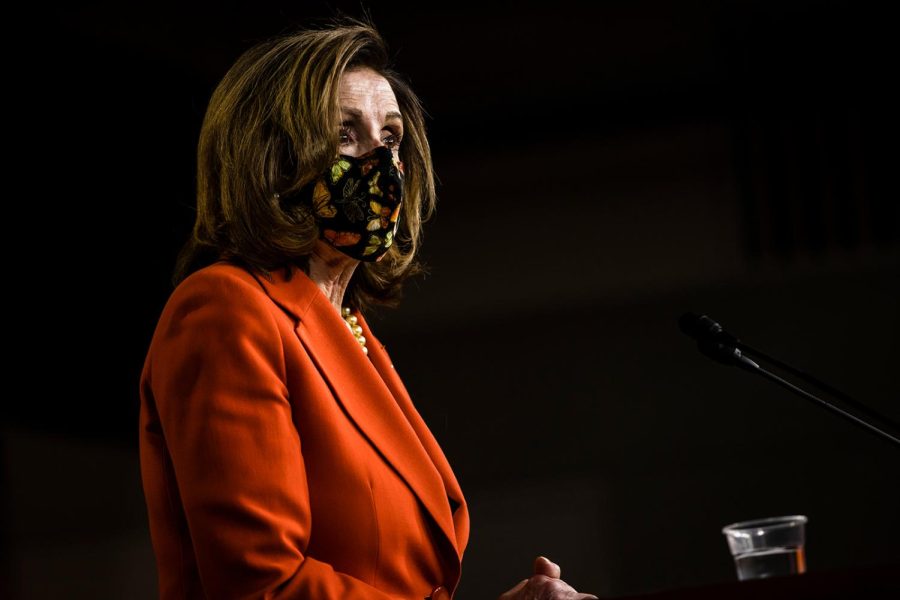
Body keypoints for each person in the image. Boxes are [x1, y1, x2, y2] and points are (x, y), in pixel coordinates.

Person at [139, 20, 599, 600]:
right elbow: (262, 584)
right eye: (344, 137)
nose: (380, 163)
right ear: (271, 160)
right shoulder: (225, 308)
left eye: (390, 138)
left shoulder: (348, 328)